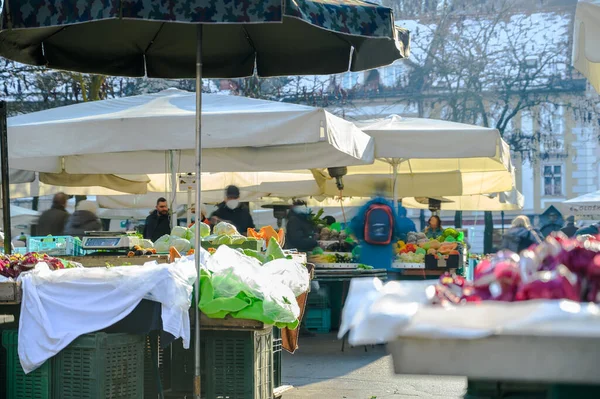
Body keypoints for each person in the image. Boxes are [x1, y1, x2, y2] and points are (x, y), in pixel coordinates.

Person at [350, 191, 399, 270]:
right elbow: (398, 228)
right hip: (385, 252)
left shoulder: (366, 207)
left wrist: (360, 238)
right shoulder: (390, 208)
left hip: (368, 250)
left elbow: (355, 225)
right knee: (384, 276)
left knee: (367, 275)